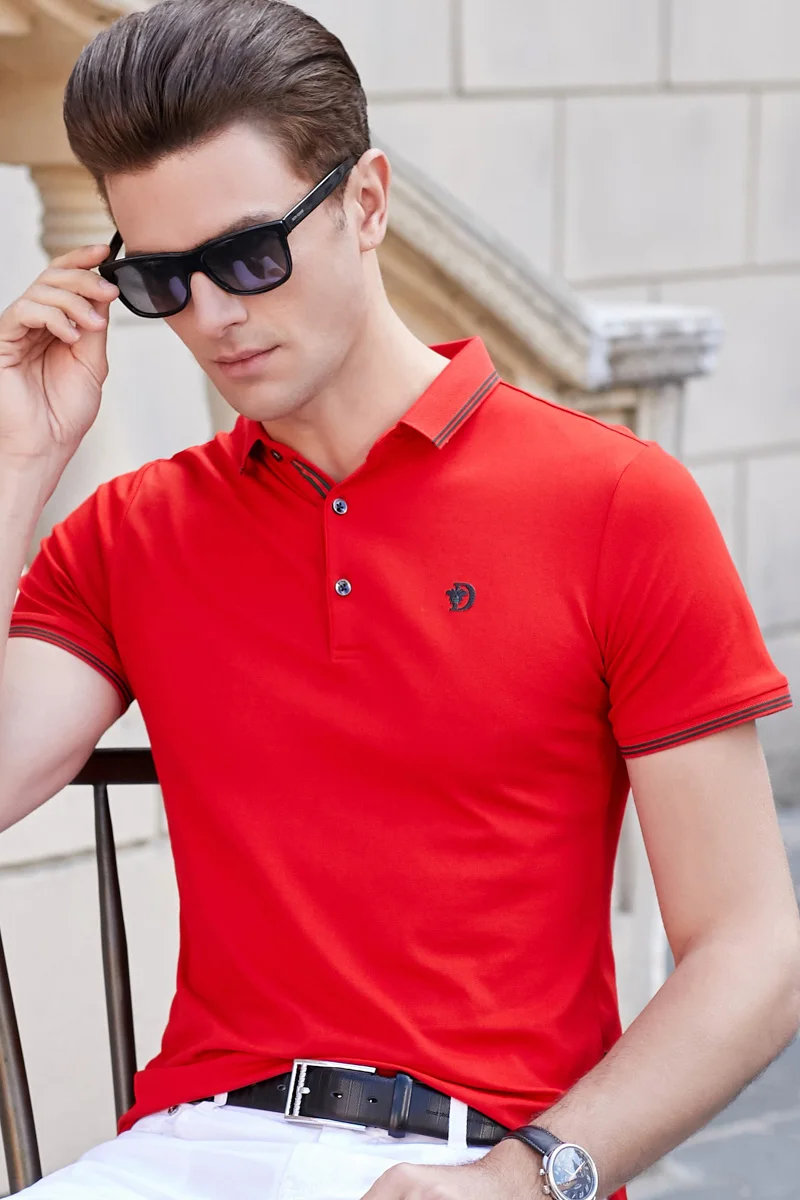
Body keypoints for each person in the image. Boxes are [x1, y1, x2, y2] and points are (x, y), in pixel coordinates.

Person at [0, 1, 798, 1198]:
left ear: (366, 202)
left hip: (484, 1157)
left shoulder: (613, 503)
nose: (211, 316)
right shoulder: (131, 534)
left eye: (249, 256)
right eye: (162, 278)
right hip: (190, 1147)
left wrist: (525, 1177)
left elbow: (751, 950)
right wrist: (16, 461)